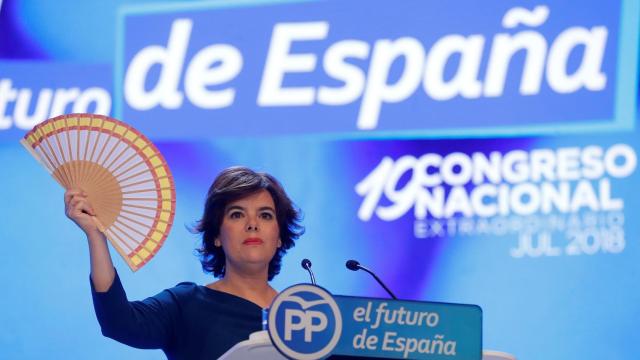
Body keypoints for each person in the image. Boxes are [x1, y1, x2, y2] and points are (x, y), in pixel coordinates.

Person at [64, 166, 304, 359]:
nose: (253, 224)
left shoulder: (307, 317)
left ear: (280, 236)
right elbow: (118, 322)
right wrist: (96, 235)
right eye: (237, 214)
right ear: (217, 236)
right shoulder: (186, 305)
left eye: (265, 215)